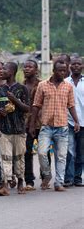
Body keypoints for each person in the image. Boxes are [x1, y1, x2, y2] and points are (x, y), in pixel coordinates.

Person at [30, 60, 80, 191]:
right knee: (41, 153)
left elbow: (71, 105)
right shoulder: (42, 85)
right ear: (54, 70)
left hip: (62, 127)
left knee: (61, 156)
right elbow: (36, 106)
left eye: (64, 70)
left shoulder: (68, 86)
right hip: (46, 127)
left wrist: (76, 121)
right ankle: (46, 175)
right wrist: (31, 125)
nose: (62, 73)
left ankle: (59, 183)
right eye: (60, 70)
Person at [0, 62, 30, 196]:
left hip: (19, 130)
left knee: (19, 158)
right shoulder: (0, 89)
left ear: (12, 72)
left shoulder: (22, 89)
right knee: (5, 157)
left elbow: (27, 108)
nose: (2, 71)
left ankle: (20, 182)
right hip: (4, 129)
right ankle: (5, 186)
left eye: (5, 69)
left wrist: (15, 100)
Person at [64, 56, 83, 187]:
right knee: (69, 151)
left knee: (81, 152)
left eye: (79, 64)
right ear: (70, 66)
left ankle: (78, 178)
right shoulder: (64, 82)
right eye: (74, 64)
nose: (76, 66)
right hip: (68, 121)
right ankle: (68, 178)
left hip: (83, 122)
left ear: (82, 66)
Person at [23, 59, 41, 190]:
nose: (27, 69)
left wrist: (34, 122)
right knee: (27, 152)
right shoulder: (20, 86)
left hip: (41, 123)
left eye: (30, 67)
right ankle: (29, 181)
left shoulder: (42, 85)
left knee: (43, 152)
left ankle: (45, 176)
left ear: (36, 70)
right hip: (25, 124)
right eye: (25, 67)